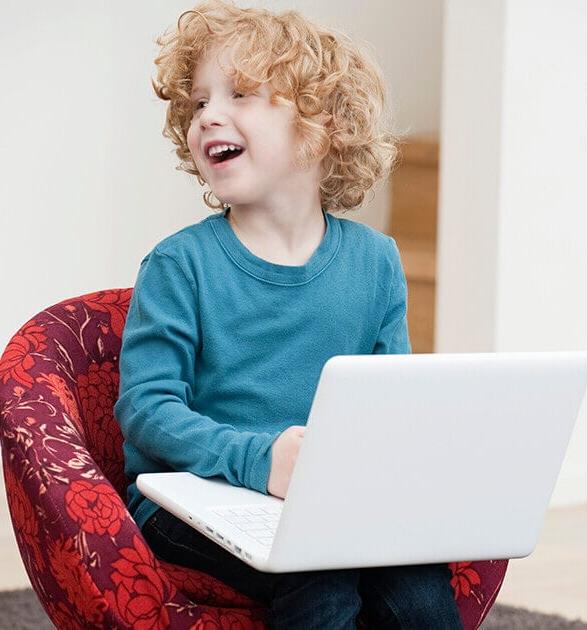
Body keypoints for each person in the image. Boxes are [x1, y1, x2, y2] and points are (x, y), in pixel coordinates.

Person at [114, 1, 462, 627]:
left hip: (325, 500)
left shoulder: (376, 261)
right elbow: (147, 410)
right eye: (198, 103)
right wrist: (262, 460)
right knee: (319, 566)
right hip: (193, 498)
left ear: (319, 127)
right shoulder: (179, 265)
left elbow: (391, 403)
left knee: (418, 582)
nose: (208, 115)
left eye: (240, 93)